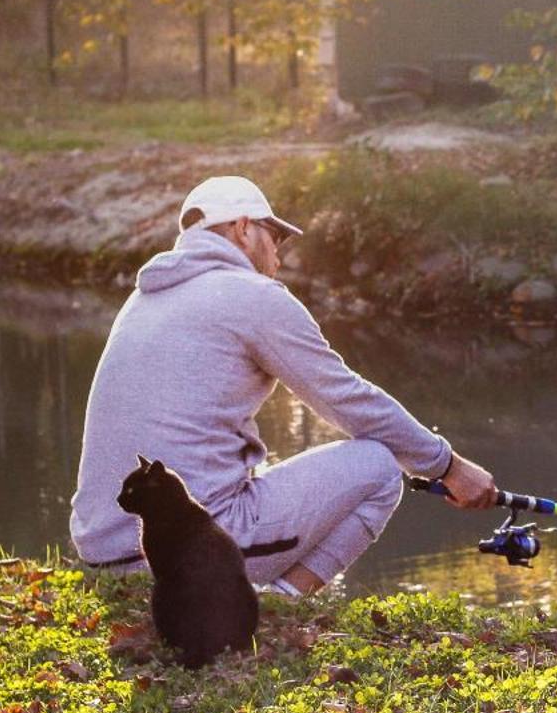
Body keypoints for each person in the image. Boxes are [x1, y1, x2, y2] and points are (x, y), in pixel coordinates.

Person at [69, 174, 496, 596]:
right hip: (183, 558)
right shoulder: (253, 296)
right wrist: (449, 467)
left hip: (103, 556)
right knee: (381, 467)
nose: (279, 255)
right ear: (242, 229)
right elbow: (347, 401)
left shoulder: (144, 298)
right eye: (274, 237)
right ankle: (279, 603)